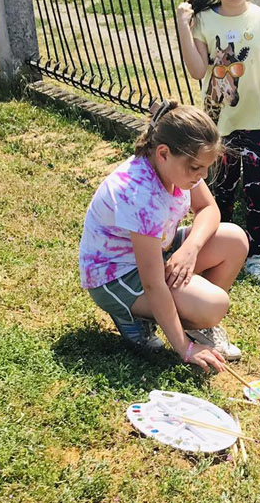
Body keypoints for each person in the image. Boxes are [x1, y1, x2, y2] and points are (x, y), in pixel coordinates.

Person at [80, 99, 247, 369]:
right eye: (197, 168)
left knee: (235, 240)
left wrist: (190, 249)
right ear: (163, 153)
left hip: (156, 251)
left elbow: (208, 209)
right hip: (117, 278)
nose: (203, 175)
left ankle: (195, 322)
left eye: (207, 167)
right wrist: (185, 349)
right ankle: (136, 315)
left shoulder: (178, 165)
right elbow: (153, 283)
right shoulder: (140, 194)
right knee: (214, 304)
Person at [176, 0, 260, 283]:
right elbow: (197, 71)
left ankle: (255, 252)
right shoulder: (205, 20)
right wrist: (182, 26)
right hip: (218, 124)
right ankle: (220, 245)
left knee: (256, 188)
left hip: (257, 119)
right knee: (222, 187)